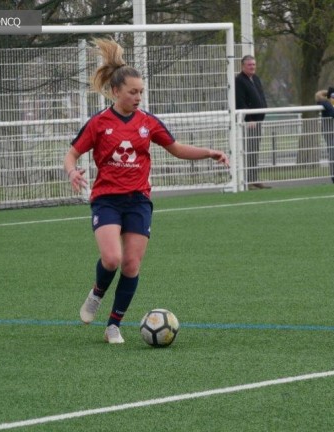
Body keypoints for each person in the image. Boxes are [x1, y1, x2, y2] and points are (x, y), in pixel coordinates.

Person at [63, 38, 229, 344]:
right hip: (107, 201)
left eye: (141, 92)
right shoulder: (99, 123)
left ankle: (113, 325)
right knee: (112, 259)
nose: (138, 97)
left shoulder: (148, 123)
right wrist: (73, 171)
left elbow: (176, 148)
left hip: (138, 201)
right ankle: (97, 293)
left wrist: (209, 152)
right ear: (115, 92)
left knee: (131, 264)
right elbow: (71, 154)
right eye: (132, 92)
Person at [235, 55, 269, 189]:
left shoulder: (256, 78)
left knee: (254, 150)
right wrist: (250, 119)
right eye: (249, 65)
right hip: (249, 122)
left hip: (258, 121)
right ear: (243, 66)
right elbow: (240, 101)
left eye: (254, 64)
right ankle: (246, 180)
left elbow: (261, 96)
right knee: (247, 150)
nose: (252, 67)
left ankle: (254, 178)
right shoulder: (239, 81)